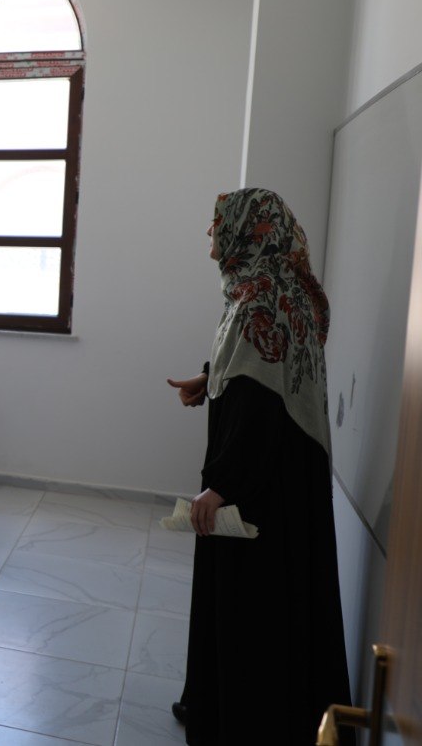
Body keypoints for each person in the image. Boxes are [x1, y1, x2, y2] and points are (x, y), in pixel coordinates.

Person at [165, 188, 351, 745]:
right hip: (289, 477)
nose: (211, 233)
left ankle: (238, 721)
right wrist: (209, 379)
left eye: (219, 223)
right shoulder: (283, 288)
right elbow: (260, 372)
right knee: (282, 604)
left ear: (251, 230)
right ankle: (251, 710)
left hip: (259, 486)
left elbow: (260, 403)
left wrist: (222, 486)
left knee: (252, 608)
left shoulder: (257, 300)